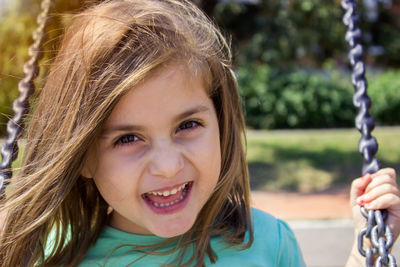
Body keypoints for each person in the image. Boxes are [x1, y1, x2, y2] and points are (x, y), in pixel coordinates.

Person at [0, 0, 399, 266]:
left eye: (187, 125)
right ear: (83, 155)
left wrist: (368, 250)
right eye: (127, 138)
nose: (169, 166)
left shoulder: (266, 244)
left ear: (221, 124)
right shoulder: (49, 253)